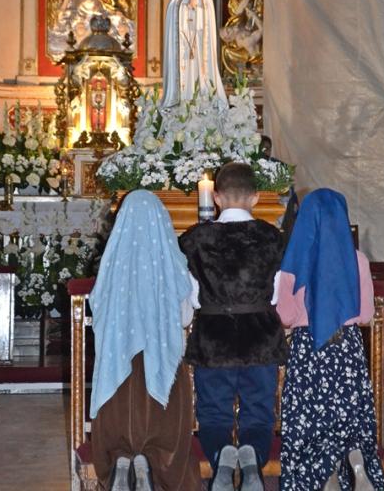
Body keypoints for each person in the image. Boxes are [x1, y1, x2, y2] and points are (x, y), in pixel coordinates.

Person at [179, 162, 288, 491]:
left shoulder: (195, 239)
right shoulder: (273, 238)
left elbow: (192, 295)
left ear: (216, 197)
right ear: (255, 198)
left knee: (214, 410)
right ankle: (253, 456)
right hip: (260, 335)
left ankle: (220, 454)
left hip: (215, 336)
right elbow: (278, 293)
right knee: (259, 409)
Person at [89, 190, 200, 491]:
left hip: (118, 365)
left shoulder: (111, 263)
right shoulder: (173, 262)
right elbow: (185, 315)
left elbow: (97, 308)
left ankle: (121, 460)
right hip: (161, 361)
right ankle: (151, 461)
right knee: (167, 418)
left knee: (118, 413)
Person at [276, 188, 384, 491]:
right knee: (349, 413)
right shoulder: (358, 260)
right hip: (347, 349)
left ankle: (325, 473)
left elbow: (286, 316)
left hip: (309, 349)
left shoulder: (293, 263)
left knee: (309, 421)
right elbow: (365, 314)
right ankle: (354, 457)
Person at [161, 0, 228, 109]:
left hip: (198, 37)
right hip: (183, 37)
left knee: (198, 66)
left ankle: (200, 98)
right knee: (185, 65)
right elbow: (173, 9)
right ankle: (183, 99)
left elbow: (208, 17)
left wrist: (197, 8)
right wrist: (187, 4)